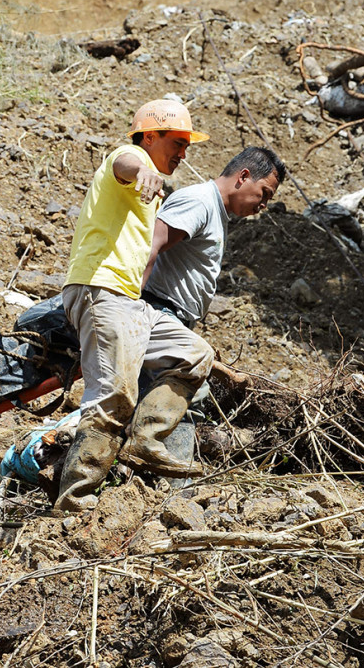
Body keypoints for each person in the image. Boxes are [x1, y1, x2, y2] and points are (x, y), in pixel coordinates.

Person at [56, 98, 216, 513]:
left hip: (127, 300)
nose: (183, 153)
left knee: (196, 354)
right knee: (115, 396)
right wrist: (143, 168)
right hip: (100, 291)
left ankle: (145, 441)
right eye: (177, 143)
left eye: (187, 146)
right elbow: (125, 162)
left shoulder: (150, 193)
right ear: (150, 136)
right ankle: (74, 499)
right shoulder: (128, 161)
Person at [138, 146, 285, 476]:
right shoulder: (200, 201)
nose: (262, 206)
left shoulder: (214, 210)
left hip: (172, 315)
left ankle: (148, 481)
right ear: (243, 177)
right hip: (158, 310)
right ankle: (169, 489)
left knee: (146, 398)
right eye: (263, 194)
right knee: (191, 394)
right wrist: (133, 308)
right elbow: (151, 245)